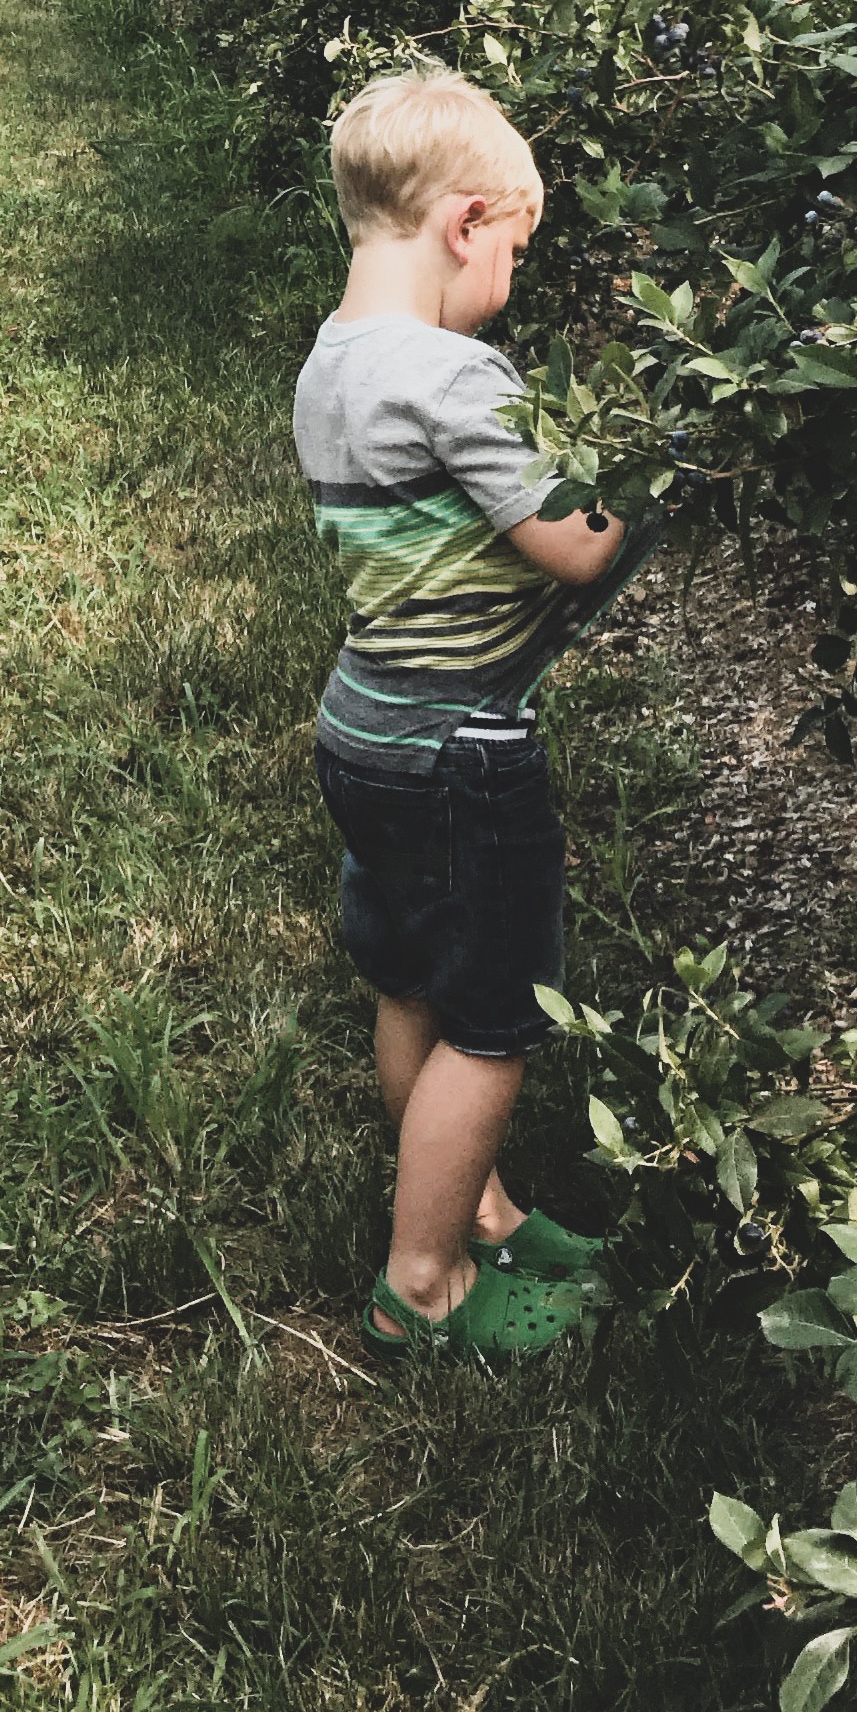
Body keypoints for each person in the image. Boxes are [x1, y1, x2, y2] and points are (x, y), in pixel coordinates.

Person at [295, 68, 655, 1361]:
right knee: (494, 1025)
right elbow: (573, 548)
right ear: (462, 223)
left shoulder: (331, 362)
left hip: (367, 730)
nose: (511, 270)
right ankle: (424, 1279)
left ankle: (480, 1208)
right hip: (462, 751)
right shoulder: (454, 378)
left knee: (412, 979)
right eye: (513, 243)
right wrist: (654, 479)